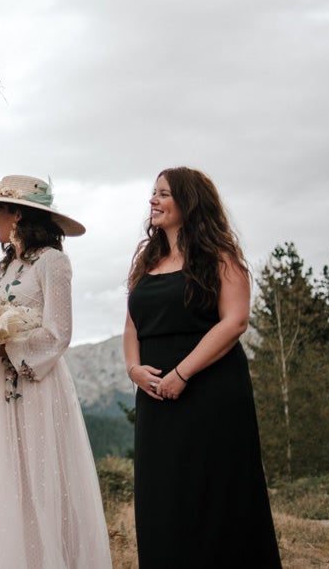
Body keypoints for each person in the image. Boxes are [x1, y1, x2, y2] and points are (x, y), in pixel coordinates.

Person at [0, 175, 113, 568]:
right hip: (0, 390)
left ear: (17, 213)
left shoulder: (54, 262)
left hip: (38, 388)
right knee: (7, 484)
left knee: (39, 480)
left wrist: (4, 347)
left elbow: (58, 332)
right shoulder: (6, 267)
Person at [123, 167, 280, 568]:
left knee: (215, 500)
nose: (153, 200)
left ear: (189, 201)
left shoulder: (220, 256)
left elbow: (235, 322)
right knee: (162, 499)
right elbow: (132, 322)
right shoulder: (148, 258)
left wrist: (182, 374)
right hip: (155, 399)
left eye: (163, 193)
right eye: (153, 193)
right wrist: (134, 369)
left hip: (211, 394)